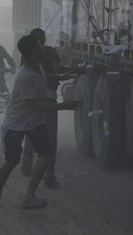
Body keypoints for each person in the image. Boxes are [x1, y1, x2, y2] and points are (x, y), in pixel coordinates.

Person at [0, 35, 79, 209]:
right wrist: (64, 105)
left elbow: (47, 76)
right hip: (15, 123)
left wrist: (66, 75)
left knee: (46, 153)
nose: (43, 46)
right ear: (34, 50)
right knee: (11, 161)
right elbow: (35, 105)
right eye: (40, 44)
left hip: (35, 122)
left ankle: (29, 195)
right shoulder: (25, 75)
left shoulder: (37, 66)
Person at [20, 28, 85, 188]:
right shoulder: (49, 51)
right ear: (43, 39)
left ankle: (27, 158)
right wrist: (75, 70)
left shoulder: (26, 55)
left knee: (31, 129)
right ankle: (49, 176)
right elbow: (57, 69)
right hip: (48, 97)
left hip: (31, 98)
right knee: (50, 138)